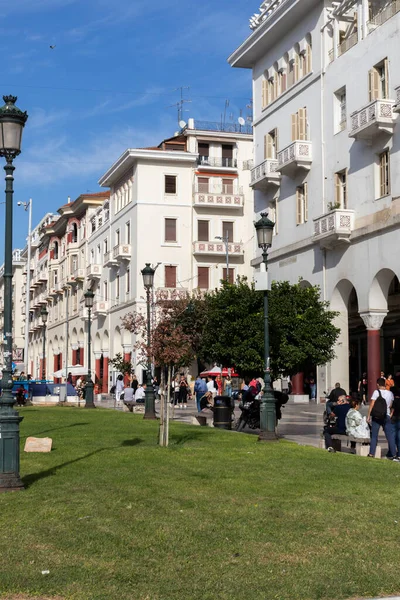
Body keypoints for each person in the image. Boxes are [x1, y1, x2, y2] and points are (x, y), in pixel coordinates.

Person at [367, 377, 399, 460]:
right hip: (386, 415)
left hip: (376, 416)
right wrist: (390, 414)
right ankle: (394, 455)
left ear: (378, 384)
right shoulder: (390, 393)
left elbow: (372, 404)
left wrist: (368, 415)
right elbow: (391, 406)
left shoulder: (376, 392)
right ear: (385, 384)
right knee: (390, 437)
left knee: (374, 436)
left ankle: (371, 453)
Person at [390, 386, 400, 459]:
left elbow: (392, 410)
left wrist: (389, 416)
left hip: (394, 419)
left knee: (393, 437)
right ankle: (399, 454)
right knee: (399, 437)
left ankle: (392, 453)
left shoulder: (394, 401)